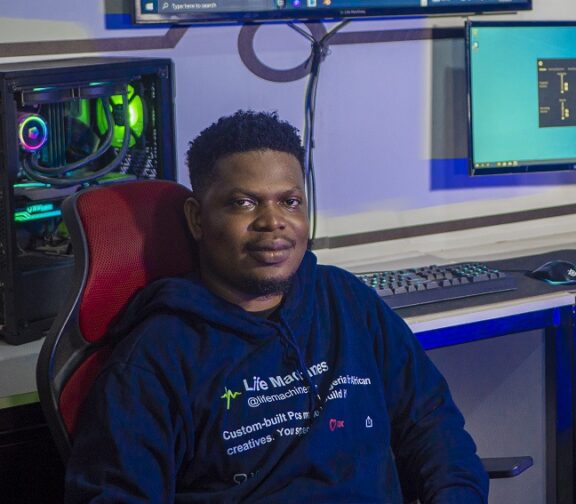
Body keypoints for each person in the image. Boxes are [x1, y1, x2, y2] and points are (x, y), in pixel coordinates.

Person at [64, 110, 488, 502]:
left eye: (289, 201)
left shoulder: (348, 303)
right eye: (244, 203)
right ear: (197, 219)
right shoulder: (155, 358)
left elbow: (434, 429)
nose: (273, 221)